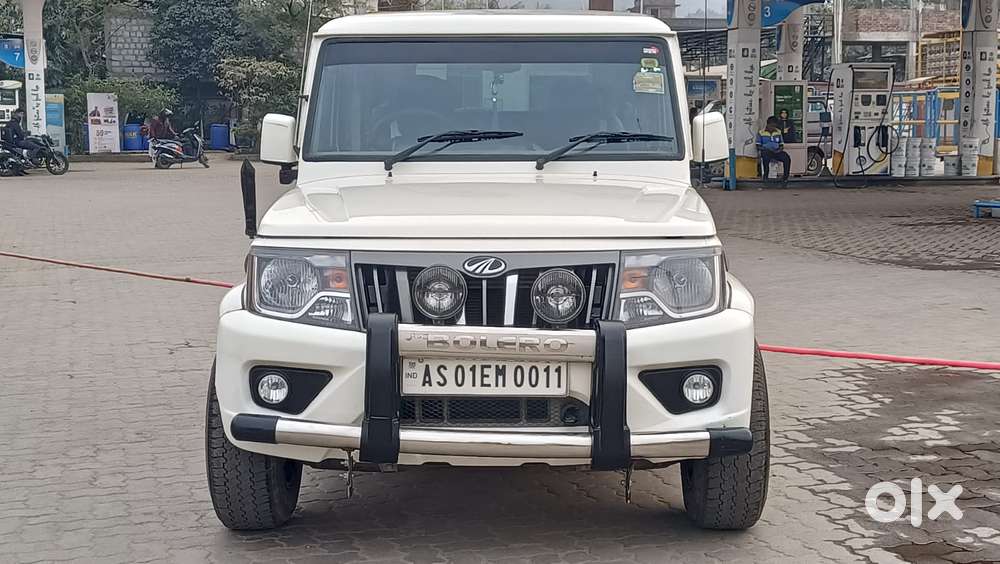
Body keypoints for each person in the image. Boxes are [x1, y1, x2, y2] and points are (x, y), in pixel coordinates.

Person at [757, 116, 791, 184]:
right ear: (768, 124)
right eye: (772, 126)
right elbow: (758, 146)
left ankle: (785, 177)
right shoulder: (761, 132)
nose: (773, 128)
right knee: (765, 157)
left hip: (777, 151)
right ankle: (766, 176)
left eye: (775, 126)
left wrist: (779, 150)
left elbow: (781, 144)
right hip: (766, 151)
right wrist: (766, 149)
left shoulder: (778, 132)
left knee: (787, 158)